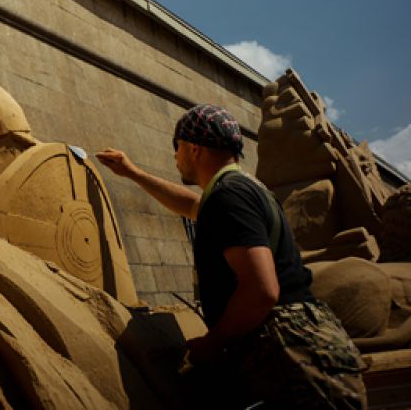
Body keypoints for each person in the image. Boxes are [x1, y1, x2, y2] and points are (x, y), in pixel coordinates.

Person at [96, 104, 366, 409]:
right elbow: (193, 207)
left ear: (194, 148)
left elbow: (261, 290)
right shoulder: (243, 189)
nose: (175, 156)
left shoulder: (229, 197)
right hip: (305, 349)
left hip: (291, 359)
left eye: (177, 147)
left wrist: (213, 342)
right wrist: (133, 173)